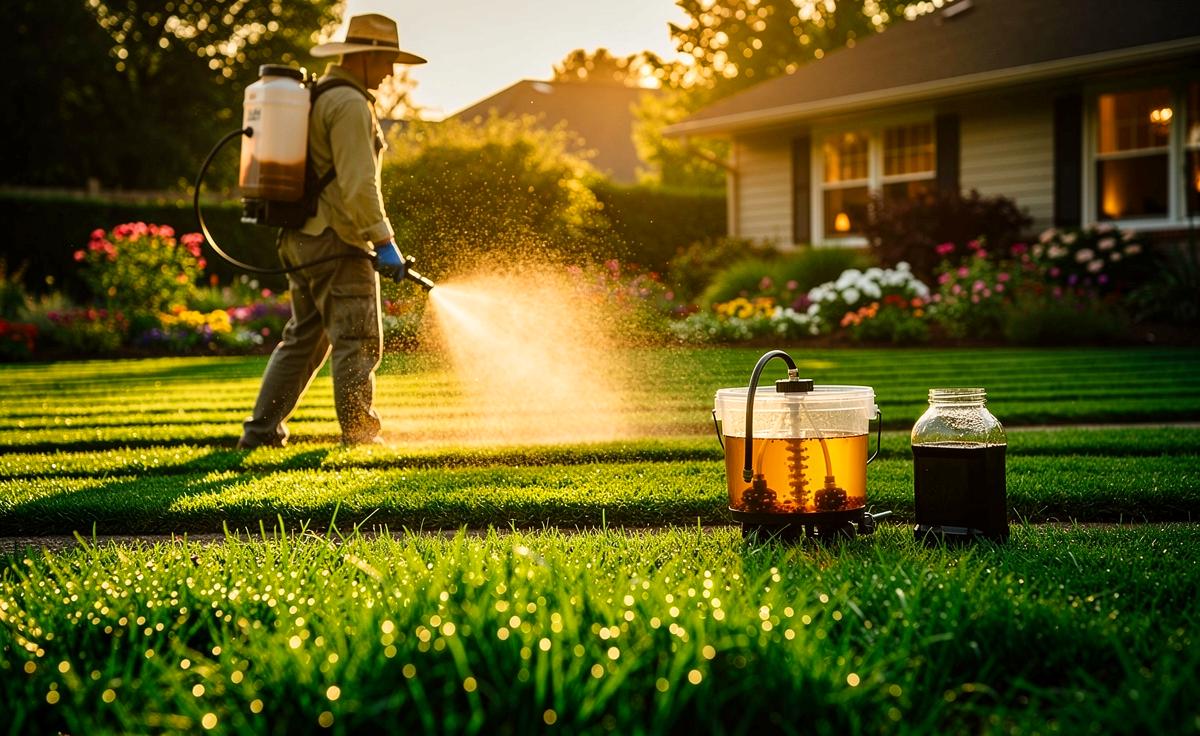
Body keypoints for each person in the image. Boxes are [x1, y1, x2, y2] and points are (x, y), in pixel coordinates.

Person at [238, 13, 425, 449]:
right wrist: (384, 242)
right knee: (358, 339)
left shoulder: (318, 96)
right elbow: (360, 185)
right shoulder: (350, 105)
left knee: (303, 339)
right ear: (363, 57)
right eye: (385, 60)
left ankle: (261, 430)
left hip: (298, 237)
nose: (391, 72)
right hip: (336, 242)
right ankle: (360, 436)